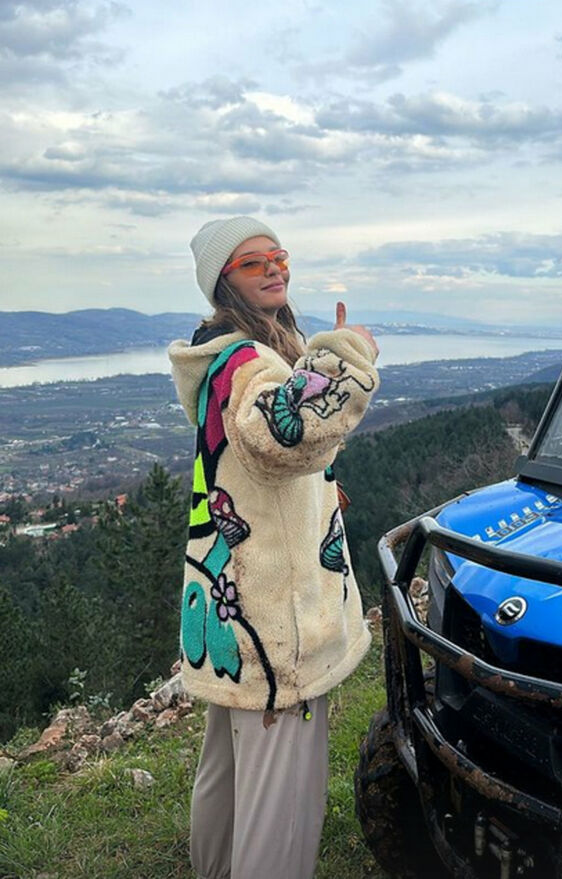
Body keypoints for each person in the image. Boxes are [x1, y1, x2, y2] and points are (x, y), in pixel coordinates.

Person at [167, 216, 379, 879]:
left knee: (230, 771)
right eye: (253, 262)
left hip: (233, 604)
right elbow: (280, 433)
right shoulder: (247, 361)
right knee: (282, 800)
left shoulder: (223, 354)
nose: (274, 269)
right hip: (276, 619)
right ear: (223, 281)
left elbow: (253, 462)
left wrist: (317, 492)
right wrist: (346, 356)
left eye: (278, 257)